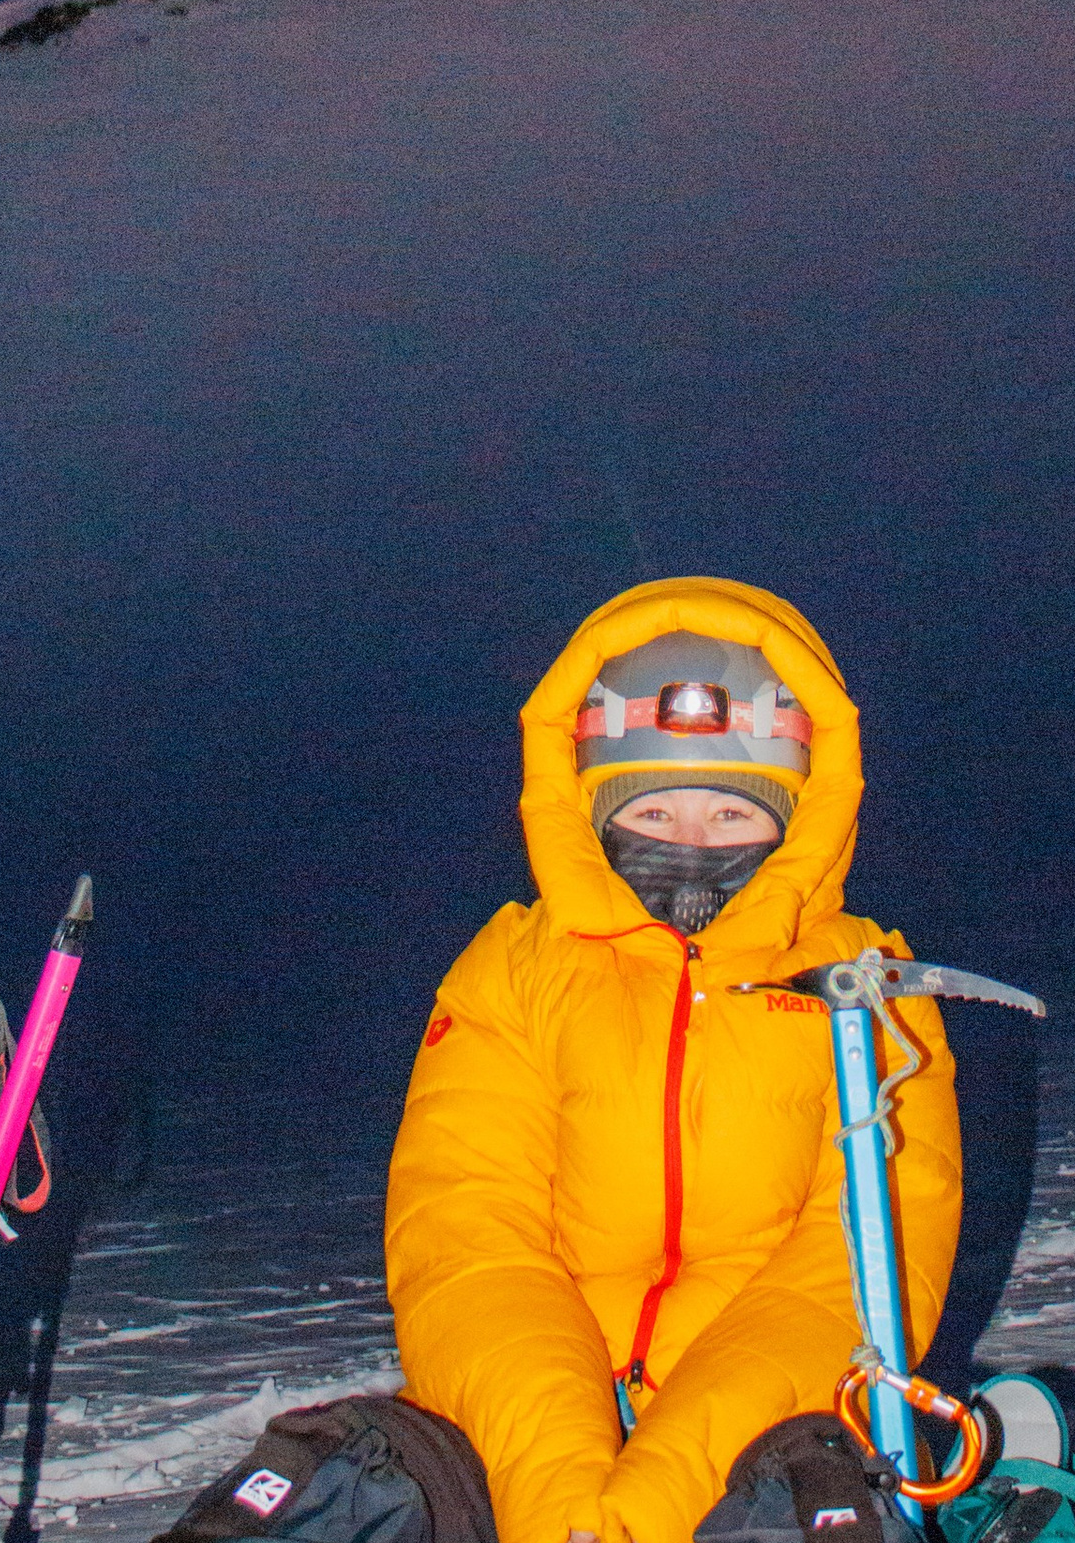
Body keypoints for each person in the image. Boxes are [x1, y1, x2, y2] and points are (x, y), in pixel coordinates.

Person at [384, 576, 963, 1543]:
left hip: (770, 1426)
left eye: (733, 818)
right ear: (591, 811)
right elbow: (464, 1236)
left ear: (800, 818)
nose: (691, 848)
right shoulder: (511, 974)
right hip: (526, 1427)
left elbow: (858, 1268)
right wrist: (561, 1488)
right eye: (654, 816)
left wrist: (646, 1503)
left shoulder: (867, 985)